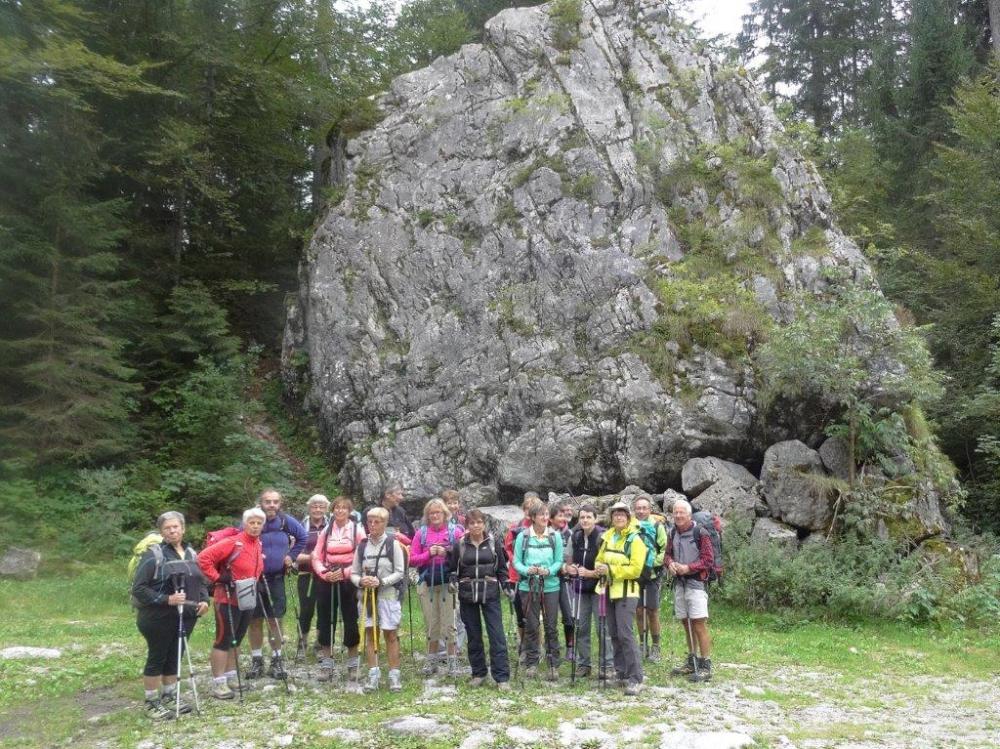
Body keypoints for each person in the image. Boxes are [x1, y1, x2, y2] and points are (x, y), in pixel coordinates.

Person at [131, 511, 209, 719]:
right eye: (167, 528)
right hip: (157, 617)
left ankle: (169, 695)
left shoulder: (191, 553)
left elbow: (200, 581)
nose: (172, 531)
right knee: (158, 656)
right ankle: (151, 702)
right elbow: (139, 589)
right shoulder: (154, 555)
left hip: (186, 615)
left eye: (176, 527)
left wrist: (204, 600)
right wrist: (167, 599)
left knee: (176, 655)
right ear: (161, 532)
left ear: (183, 529)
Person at [198, 507, 265, 699]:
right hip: (226, 597)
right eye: (251, 522)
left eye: (259, 523)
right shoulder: (232, 542)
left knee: (237, 639)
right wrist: (218, 577)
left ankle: (231, 676)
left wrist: (257, 579)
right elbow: (203, 558)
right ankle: (219, 683)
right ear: (244, 524)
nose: (255, 526)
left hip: (246, 597)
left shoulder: (257, 543)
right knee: (223, 639)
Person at [245, 488, 307, 681]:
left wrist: (291, 556)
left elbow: (303, 537)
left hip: (276, 578)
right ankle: (257, 660)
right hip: (253, 579)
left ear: (280, 503)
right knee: (254, 620)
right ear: (261, 502)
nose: (271, 505)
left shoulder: (285, 521)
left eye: (275, 501)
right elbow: (238, 539)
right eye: (268, 501)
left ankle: (276, 660)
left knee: (275, 620)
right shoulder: (252, 519)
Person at [447, 508, 510, 690]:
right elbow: (453, 569)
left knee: (497, 635)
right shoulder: (460, 544)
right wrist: (453, 580)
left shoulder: (493, 543)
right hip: (468, 595)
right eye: (472, 523)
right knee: (474, 636)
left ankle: (501, 677)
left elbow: (502, 569)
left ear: (484, 524)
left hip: (490, 594)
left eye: (479, 522)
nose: (476, 526)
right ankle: (478, 673)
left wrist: (506, 585)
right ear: (467, 525)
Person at [311, 495, 366, 683]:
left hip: (348, 580)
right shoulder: (326, 531)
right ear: (332, 510)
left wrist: (345, 573)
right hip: (327, 579)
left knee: (350, 619)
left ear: (350, 511)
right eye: (337, 507)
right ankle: (327, 664)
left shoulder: (357, 530)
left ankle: (352, 664)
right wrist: (324, 573)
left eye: (344, 508)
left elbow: (362, 556)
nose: (340, 510)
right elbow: (316, 556)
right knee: (325, 619)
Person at [351, 507, 405, 691]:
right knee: (370, 633)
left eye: (377, 522)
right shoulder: (362, 546)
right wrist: (361, 581)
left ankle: (394, 676)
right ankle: (373, 675)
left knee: (391, 634)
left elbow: (400, 572)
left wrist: (381, 581)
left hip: (388, 596)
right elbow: (354, 573)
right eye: (370, 521)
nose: (372, 525)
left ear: (385, 523)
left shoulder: (393, 544)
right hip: (367, 597)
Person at [594, 501, 646, 695]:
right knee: (614, 633)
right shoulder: (607, 537)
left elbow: (636, 569)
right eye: (616, 514)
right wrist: (599, 567)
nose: (619, 517)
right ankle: (621, 673)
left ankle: (636, 678)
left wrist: (610, 570)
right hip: (608, 590)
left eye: (622, 514)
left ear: (628, 518)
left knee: (625, 634)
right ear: (611, 517)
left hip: (626, 591)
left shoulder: (635, 540)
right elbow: (599, 559)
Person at [409, 497, 464, 676]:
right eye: (431, 513)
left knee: (450, 623)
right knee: (432, 623)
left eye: (438, 512)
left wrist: (446, 552)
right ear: (427, 515)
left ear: (444, 513)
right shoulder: (421, 533)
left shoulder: (456, 532)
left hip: (449, 583)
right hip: (428, 582)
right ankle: (431, 661)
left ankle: (452, 662)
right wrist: (429, 554)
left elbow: (463, 556)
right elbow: (412, 559)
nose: (434, 516)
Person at [512, 502, 563, 681]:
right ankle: (532, 663)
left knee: (551, 626)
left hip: (551, 586)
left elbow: (559, 561)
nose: (545, 517)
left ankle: (553, 664)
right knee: (531, 625)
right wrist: (528, 570)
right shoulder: (523, 536)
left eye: (547, 514)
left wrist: (548, 571)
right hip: (528, 586)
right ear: (533, 517)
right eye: (541, 514)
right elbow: (516, 561)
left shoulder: (555, 536)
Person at [665, 498, 714, 682]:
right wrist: (670, 564)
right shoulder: (672, 532)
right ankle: (692, 661)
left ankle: (706, 665)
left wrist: (688, 568)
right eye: (675, 512)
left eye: (682, 512)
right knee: (686, 623)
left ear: (689, 514)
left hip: (696, 584)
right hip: (680, 583)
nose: (678, 515)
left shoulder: (700, 532)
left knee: (698, 624)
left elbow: (708, 560)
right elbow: (667, 555)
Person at [564, 504, 613, 678]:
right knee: (581, 627)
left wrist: (590, 573)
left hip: (600, 589)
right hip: (579, 589)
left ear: (595, 518)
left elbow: (608, 566)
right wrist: (569, 569)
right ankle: (584, 664)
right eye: (582, 517)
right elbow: (568, 561)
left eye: (588, 517)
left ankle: (607, 665)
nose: (585, 520)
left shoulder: (603, 537)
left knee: (602, 628)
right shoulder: (575, 537)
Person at [503, 492, 542, 659]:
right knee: (521, 614)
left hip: (537, 576)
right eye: (527, 509)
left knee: (536, 614)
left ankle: (537, 646)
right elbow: (507, 549)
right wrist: (517, 561)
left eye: (533, 509)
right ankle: (524, 646)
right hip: (516, 576)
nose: (529, 512)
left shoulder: (543, 528)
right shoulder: (514, 528)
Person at [633, 494, 669, 662]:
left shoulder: (657, 526)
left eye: (644, 508)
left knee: (652, 611)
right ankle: (642, 644)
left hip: (652, 574)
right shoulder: (631, 526)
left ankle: (655, 646)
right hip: (635, 574)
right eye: (638, 508)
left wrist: (652, 563)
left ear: (650, 510)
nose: (641, 511)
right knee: (639, 611)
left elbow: (664, 548)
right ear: (634, 510)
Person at [295, 494, 330, 656]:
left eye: (321, 506)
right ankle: (302, 643)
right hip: (307, 574)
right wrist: (312, 558)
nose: (318, 509)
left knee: (324, 609)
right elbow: (293, 554)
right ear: (309, 508)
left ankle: (320, 644)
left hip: (325, 575)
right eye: (314, 506)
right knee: (306, 610)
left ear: (326, 509)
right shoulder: (300, 527)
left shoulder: (331, 526)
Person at [550, 502, 576, 663]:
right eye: (559, 515)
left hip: (566, 580)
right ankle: (551, 648)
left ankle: (570, 647)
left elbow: (572, 555)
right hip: (550, 579)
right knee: (549, 617)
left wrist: (569, 566)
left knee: (569, 614)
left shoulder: (570, 534)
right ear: (551, 518)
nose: (563, 518)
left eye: (564, 515)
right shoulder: (545, 534)